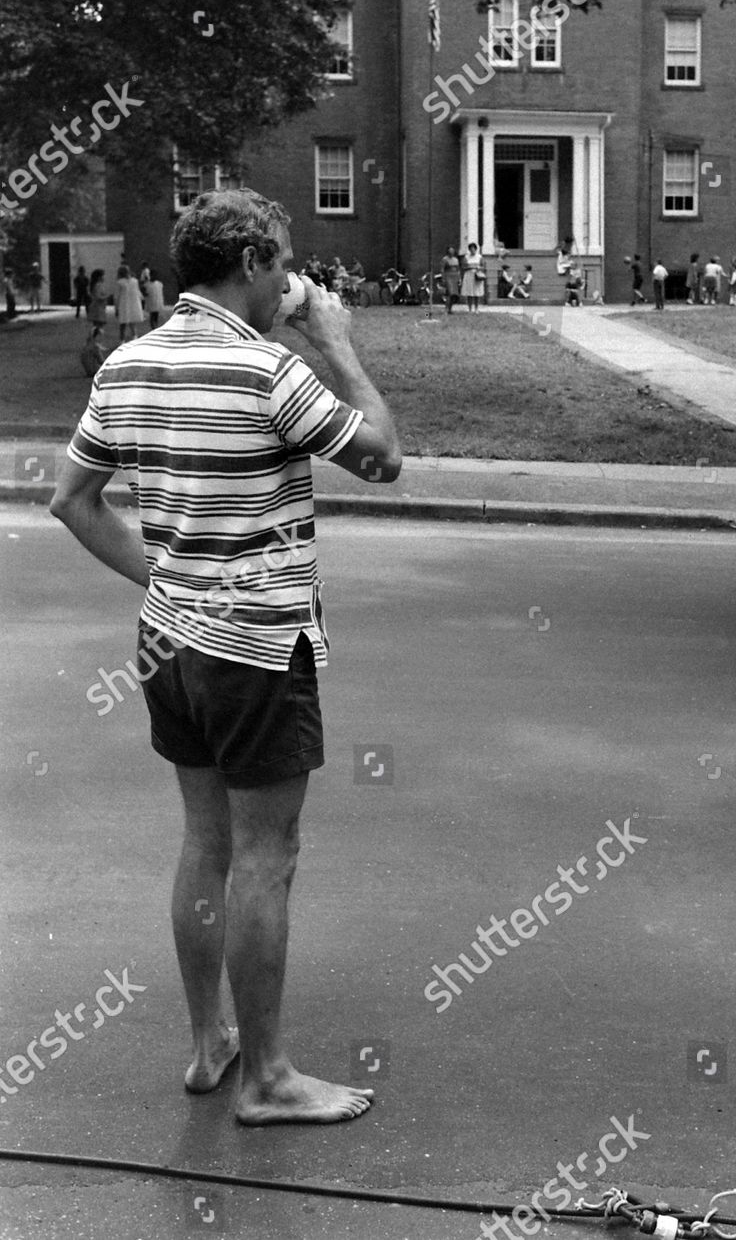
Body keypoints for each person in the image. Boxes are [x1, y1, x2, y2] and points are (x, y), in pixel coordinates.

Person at [49, 187, 400, 1126]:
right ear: (249, 262)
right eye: (282, 262)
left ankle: (212, 1044)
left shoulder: (128, 362)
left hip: (169, 642)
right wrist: (336, 342)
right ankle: (270, 1080)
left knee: (205, 843)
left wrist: (167, 579)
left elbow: (73, 500)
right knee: (264, 856)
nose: (291, 281)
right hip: (256, 649)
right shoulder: (264, 370)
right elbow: (382, 456)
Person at [114, 264, 144, 342]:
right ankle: (134, 338)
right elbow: (138, 292)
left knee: (123, 324)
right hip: (133, 304)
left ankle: (122, 340)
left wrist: (116, 308)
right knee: (132, 323)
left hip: (124, 304)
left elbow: (117, 296)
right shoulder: (135, 281)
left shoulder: (119, 282)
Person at [459, 241, 484, 313]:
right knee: (469, 292)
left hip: (477, 275)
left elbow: (482, 266)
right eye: (471, 249)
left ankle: (476, 308)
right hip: (469, 275)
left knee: (477, 292)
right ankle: (470, 308)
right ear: (469, 250)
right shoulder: (466, 257)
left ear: (476, 249)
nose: (472, 250)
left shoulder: (479, 257)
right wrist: (470, 267)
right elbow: (463, 267)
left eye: (473, 249)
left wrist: (479, 268)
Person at [86, 269, 109, 339]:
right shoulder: (98, 285)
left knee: (97, 326)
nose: (104, 277)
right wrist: (107, 297)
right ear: (99, 277)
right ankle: (93, 340)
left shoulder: (97, 285)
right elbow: (98, 296)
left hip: (99, 307)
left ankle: (93, 341)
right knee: (98, 326)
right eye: (103, 276)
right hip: (97, 308)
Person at [441, 246, 461, 314]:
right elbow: (442, 269)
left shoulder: (456, 259)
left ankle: (450, 308)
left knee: (454, 294)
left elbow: (458, 269)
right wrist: (443, 278)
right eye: (450, 251)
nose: (451, 252)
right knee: (449, 293)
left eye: (452, 251)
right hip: (448, 276)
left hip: (455, 277)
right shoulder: (445, 259)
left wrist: (459, 278)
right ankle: (446, 309)